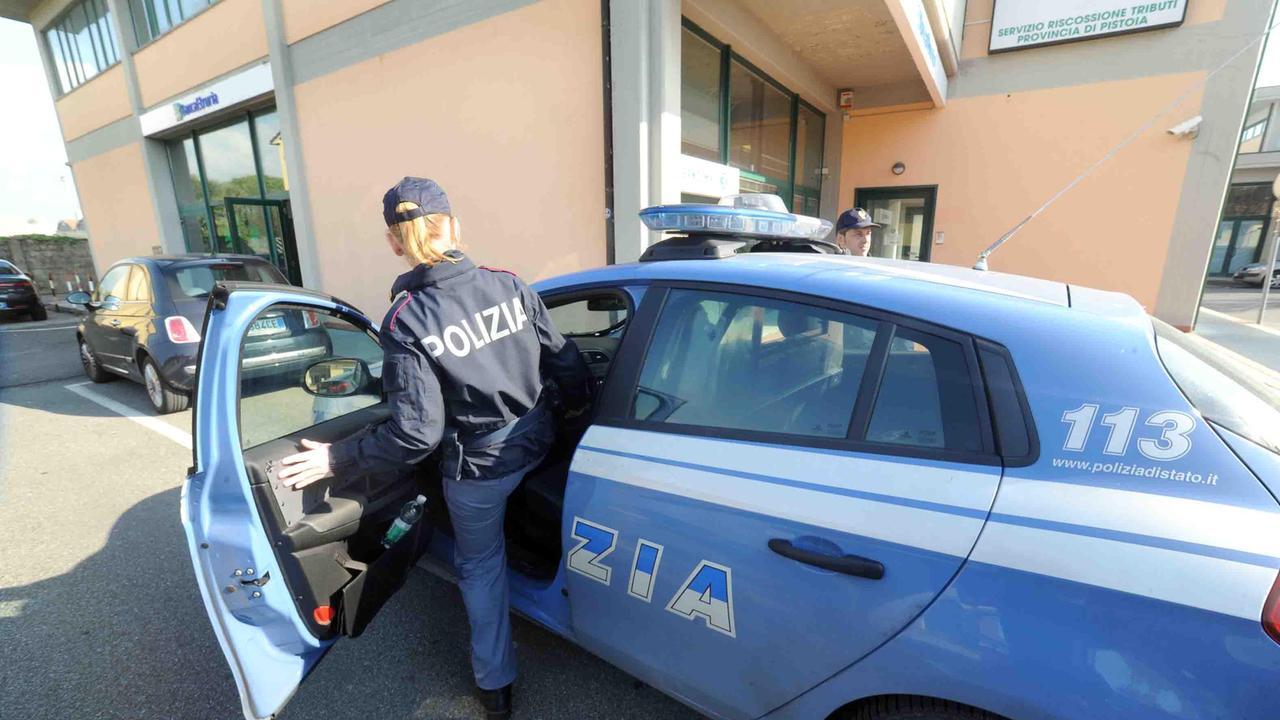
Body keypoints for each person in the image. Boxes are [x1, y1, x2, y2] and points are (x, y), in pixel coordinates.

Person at [276, 177, 592, 720]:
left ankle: (496, 684)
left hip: (482, 473)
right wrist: (580, 421)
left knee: (481, 565)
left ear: (393, 242)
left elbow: (416, 433)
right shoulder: (509, 283)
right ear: (455, 226)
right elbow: (565, 363)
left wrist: (335, 457)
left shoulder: (407, 320)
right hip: (538, 441)